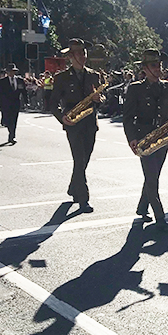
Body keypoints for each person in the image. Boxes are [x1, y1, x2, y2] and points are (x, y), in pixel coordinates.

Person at [123, 49, 168, 229]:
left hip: (162, 138)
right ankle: (160, 217)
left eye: (159, 64)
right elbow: (128, 117)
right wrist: (132, 138)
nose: (158, 68)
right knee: (152, 178)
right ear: (144, 68)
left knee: (153, 175)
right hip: (144, 137)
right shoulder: (135, 88)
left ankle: (142, 207)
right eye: (154, 65)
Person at [49, 38, 103, 213]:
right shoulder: (61, 78)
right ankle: (83, 199)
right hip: (73, 124)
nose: (82, 56)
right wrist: (62, 117)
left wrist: (98, 99)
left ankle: (74, 186)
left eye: (83, 52)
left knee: (84, 159)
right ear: (70, 57)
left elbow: (103, 98)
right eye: (78, 53)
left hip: (89, 122)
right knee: (79, 159)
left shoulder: (94, 75)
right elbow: (52, 103)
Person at [0, 63, 27, 144]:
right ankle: (10, 129)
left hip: (16, 103)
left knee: (14, 119)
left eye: (14, 71)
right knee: (7, 120)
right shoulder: (1, 82)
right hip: (5, 103)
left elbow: (24, 92)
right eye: (11, 71)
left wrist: (26, 101)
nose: (12, 73)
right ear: (7, 72)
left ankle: (12, 136)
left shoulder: (20, 80)